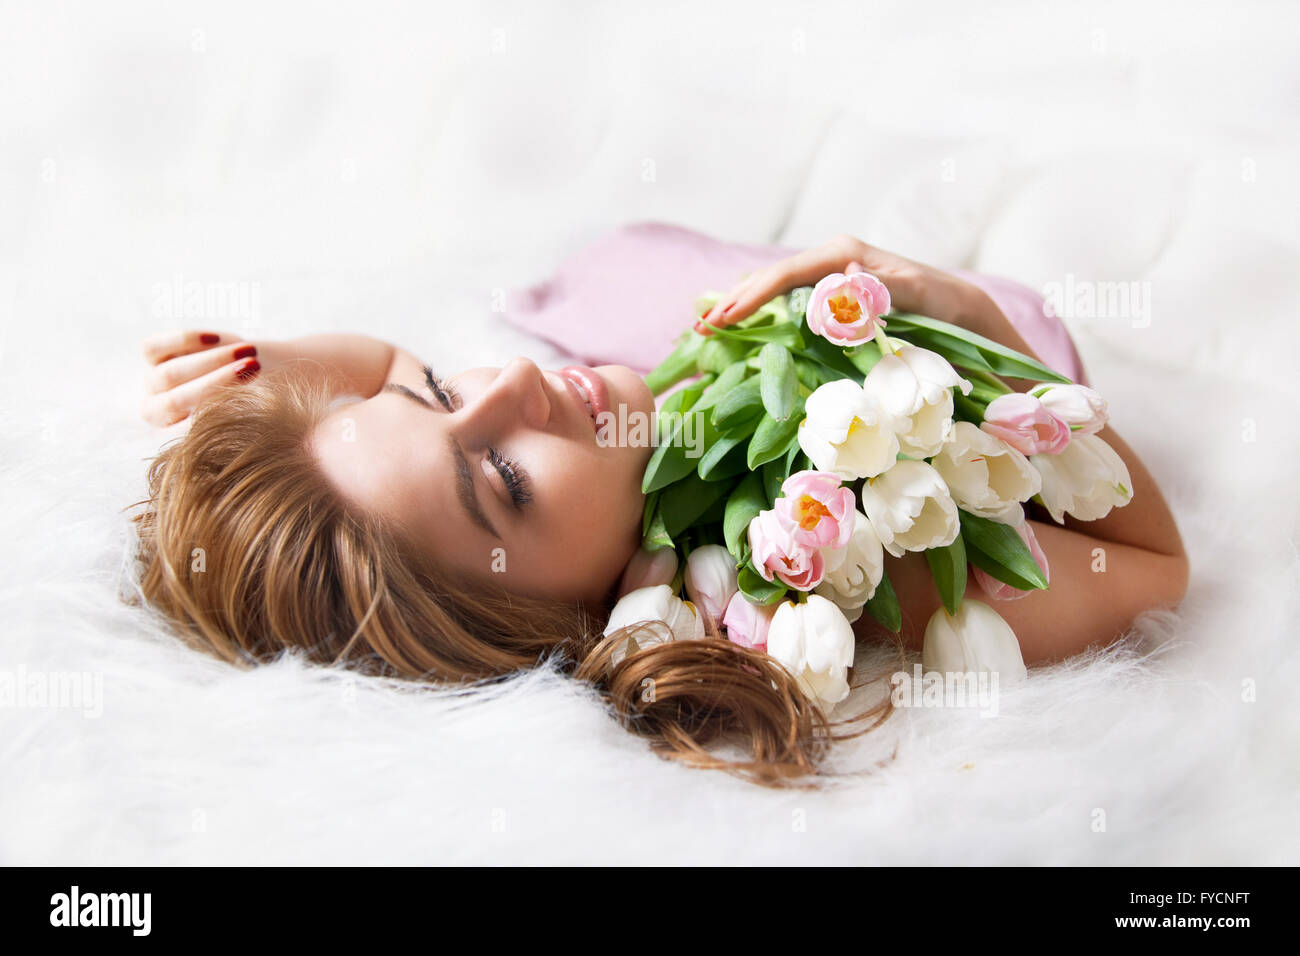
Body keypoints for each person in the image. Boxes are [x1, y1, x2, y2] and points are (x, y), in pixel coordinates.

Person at [132, 235, 1189, 785]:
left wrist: (270, 372)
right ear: (551, 629)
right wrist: (969, 318)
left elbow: (383, 363)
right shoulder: (837, 562)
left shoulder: (550, 430)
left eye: (448, 391)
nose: (518, 386)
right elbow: (1153, 564)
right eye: (503, 478)